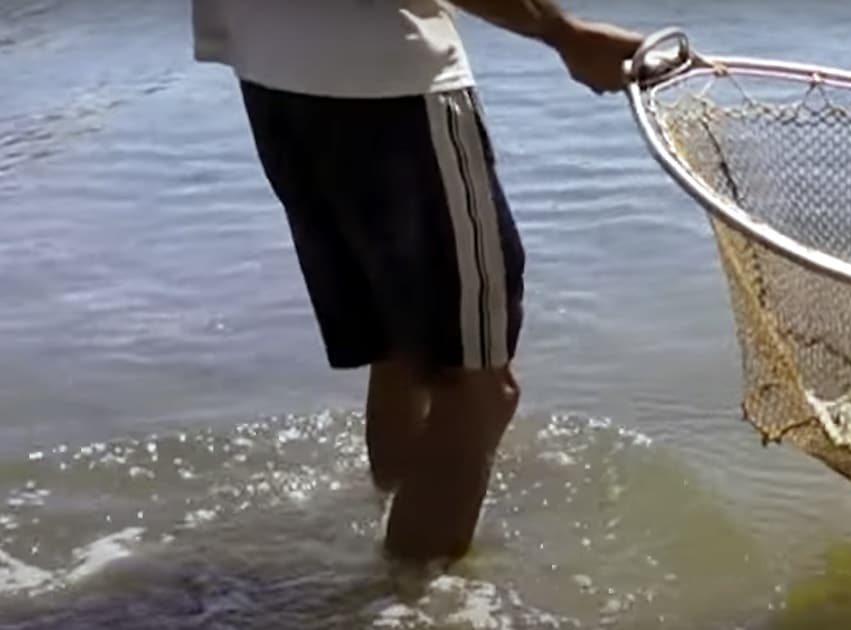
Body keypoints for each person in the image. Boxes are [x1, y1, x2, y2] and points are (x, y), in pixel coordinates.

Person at [189, 0, 644, 564]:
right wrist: (561, 32)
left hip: (272, 82)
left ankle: (396, 528)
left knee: (403, 348)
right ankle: (407, 595)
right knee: (480, 386)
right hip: (391, 85)